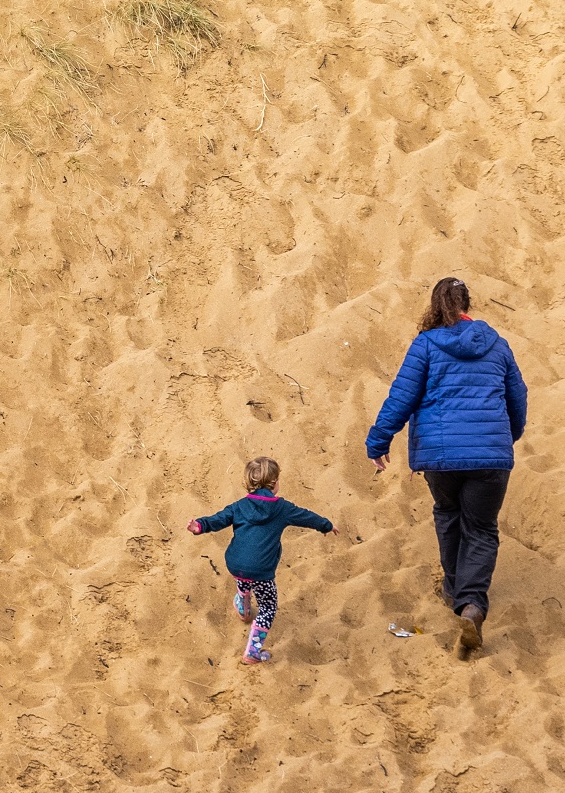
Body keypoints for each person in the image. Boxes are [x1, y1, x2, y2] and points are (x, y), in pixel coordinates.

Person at [365, 276, 527, 660]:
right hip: (491, 455)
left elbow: (402, 396)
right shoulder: (498, 345)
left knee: (449, 513)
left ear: (435, 306)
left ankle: (456, 591)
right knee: (482, 528)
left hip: (441, 455)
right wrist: (507, 436)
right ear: (468, 304)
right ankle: (471, 605)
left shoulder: (426, 344)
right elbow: (518, 397)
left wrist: (378, 441)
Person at [187, 456, 336, 663]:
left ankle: (243, 607)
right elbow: (306, 517)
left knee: (244, 575)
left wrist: (200, 526)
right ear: (274, 483)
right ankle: (253, 651)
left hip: (235, 563)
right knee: (268, 607)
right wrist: (326, 525)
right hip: (261, 570)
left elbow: (219, 519)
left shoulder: (239, 506)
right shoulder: (282, 508)